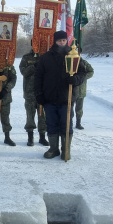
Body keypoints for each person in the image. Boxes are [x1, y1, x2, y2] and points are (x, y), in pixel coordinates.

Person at [34, 30, 87, 160]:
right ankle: (53, 149)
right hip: (49, 98)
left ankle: (66, 149)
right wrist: (39, 94)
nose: (62, 43)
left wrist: (75, 80)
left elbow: (82, 73)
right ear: (55, 41)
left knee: (66, 124)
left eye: (64, 40)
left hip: (66, 98)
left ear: (66, 41)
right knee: (51, 124)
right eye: (59, 41)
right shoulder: (46, 57)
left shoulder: (73, 57)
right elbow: (38, 77)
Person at [19, 45, 48, 147]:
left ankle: (42, 137)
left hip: (43, 92)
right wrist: (34, 66)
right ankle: (30, 137)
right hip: (29, 92)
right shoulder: (26, 57)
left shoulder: (46, 57)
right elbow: (23, 72)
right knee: (30, 116)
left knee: (42, 116)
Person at [74, 60, 94, 130]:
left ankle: (78, 122)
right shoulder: (68, 60)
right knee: (68, 108)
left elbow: (91, 71)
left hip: (81, 89)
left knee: (79, 108)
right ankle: (68, 122)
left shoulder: (84, 62)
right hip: (70, 89)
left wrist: (83, 76)